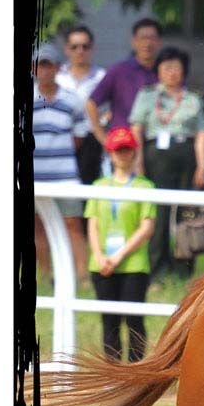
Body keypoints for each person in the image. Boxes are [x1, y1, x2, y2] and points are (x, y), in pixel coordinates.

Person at [129, 46, 204, 278]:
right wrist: (138, 161)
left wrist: (202, 165)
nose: (172, 73)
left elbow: (202, 133)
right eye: (167, 68)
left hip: (186, 155)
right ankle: (157, 270)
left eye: (177, 68)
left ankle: (184, 269)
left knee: (186, 214)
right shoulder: (147, 95)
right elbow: (137, 129)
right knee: (159, 213)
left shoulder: (193, 98)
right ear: (159, 71)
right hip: (157, 157)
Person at [85, 127, 156, 361]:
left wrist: (118, 257)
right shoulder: (99, 185)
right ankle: (113, 373)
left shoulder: (145, 186)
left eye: (126, 149)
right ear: (110, 153)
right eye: (118, 150)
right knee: (110, 321)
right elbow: (92, 224)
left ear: (134, 152)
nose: (122, 154)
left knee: (134, 320)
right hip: (102, 262)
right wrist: (99, 255)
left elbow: (147, 227)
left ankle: (134, 374)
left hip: (133, 263)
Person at [32, 42, 89, 282]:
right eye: (40, 65)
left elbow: (78, 136)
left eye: (48, 64)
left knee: (73, 225)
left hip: (65, 175)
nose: (44, 70)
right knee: (37, 228)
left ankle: (82, 276)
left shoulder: (72, 99)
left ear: (57, 68)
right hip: (34, 175)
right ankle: (47, 276)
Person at [86, 17, 162, 146]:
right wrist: (104, 139)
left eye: (152, 38)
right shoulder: (119, 70)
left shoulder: (164, 72)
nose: (147, 43)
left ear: (159, 42)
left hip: (155, 143)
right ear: (133, 42)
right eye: (143, 38)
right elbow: (91, 103)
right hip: (123, 145)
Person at [56, 25, 107, 184]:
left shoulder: (102, 76)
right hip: (62, 138)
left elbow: (112, 107)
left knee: (88, 184)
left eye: (85, 46)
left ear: (92, 48)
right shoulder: (57, 76)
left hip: (91, 140)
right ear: (67, 49)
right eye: (75, 46)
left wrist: (102, 123)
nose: (80, 51)